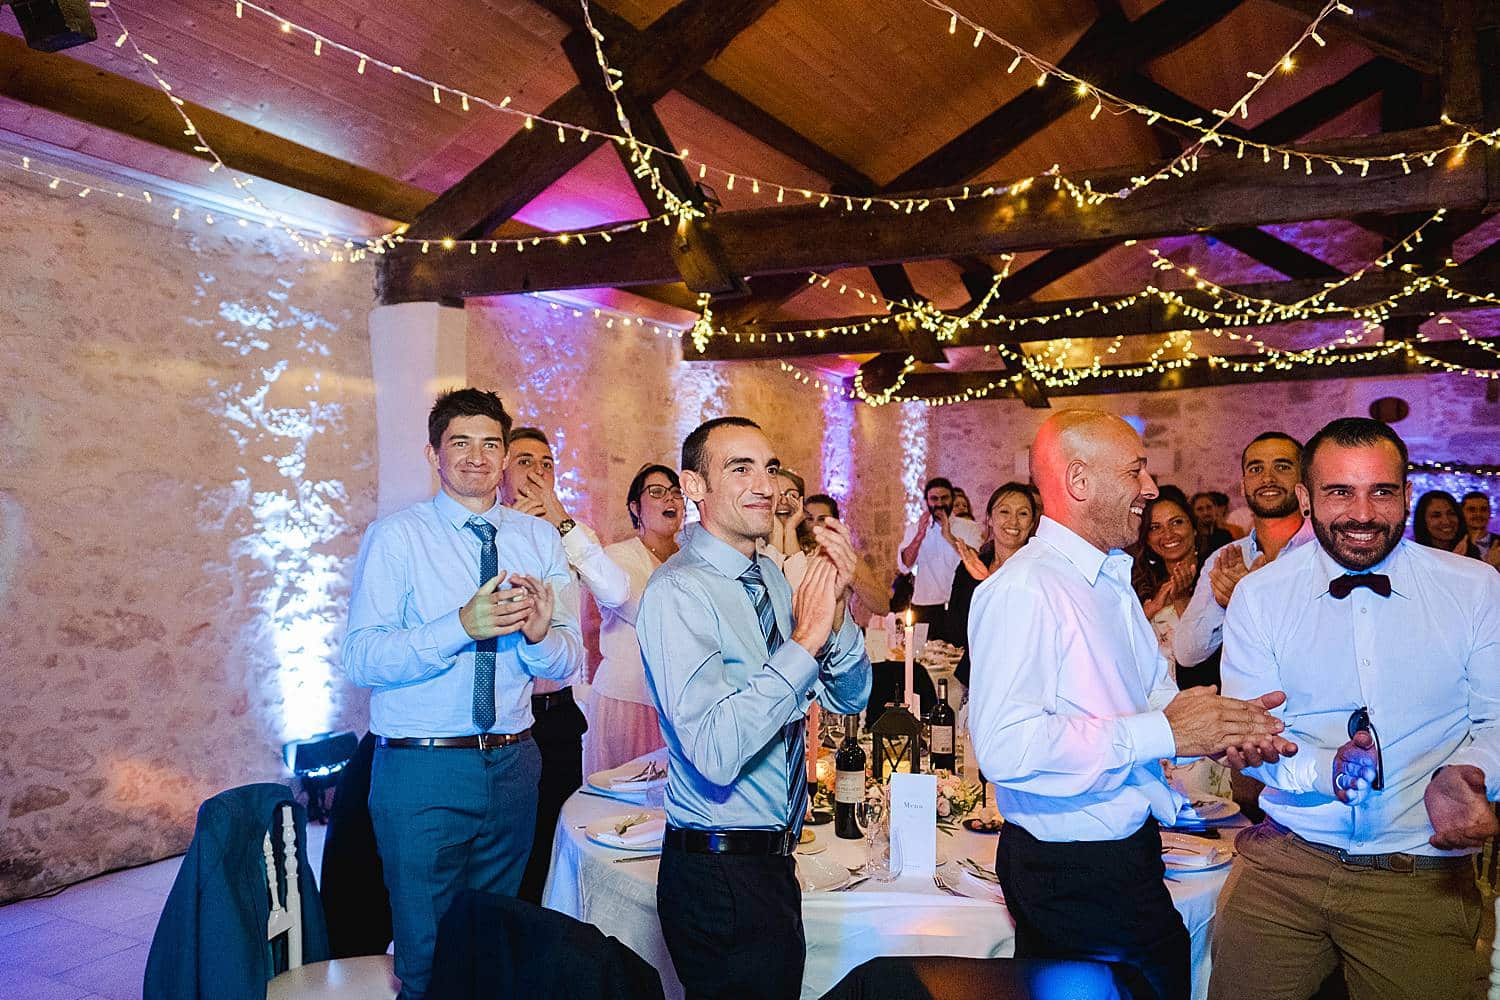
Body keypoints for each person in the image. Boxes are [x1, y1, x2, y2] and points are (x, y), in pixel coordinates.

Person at [968, 409, 1291, 1000]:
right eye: (1136, 471)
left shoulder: (1110, 579)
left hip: (1124, 852)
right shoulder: (1024, 589)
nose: (1150, 488)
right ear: (1080, 482)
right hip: (1071, 870)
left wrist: (1224, 727)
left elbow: (1152, 695)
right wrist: (1162, 733)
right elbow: (1005, 745)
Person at [1210, 417, 1500, 1000]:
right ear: (1307, 498)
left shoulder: (1474, 588)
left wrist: (1468, 775)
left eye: (1382, 491)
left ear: (1406, 493)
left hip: (1419, 871)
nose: (1362, 513)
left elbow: (1495, 719)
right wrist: (1326, 770)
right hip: (1283, 864)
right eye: (1340, 492)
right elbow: (1254, 734)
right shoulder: (1259, 597)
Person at [344, 388, 583, 1000]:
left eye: (490, 444)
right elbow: (362, 657)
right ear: (434, 454)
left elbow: (570, 657)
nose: (477, 457)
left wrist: (537, 635)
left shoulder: (538, 539)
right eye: (460, 443)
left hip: (514, 760)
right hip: (422, 767)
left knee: (494, 943)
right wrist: (460, 626)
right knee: (426, 955)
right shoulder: (397, 537)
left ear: (505, 456)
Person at [639, 416, 871, 1000]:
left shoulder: (768, 573)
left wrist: (835, 612)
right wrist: (804, 643)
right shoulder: (679, 591)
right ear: (694, 488)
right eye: (739, 468)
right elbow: (715, 751)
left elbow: (849, 697)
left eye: (768, 467)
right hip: (719, 873)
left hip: (772, 861)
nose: (764, 484)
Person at [500, 427, 631, 902]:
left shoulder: (570, 533)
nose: (537, 473)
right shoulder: (484, 531)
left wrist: (560, 524)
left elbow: (616, 592)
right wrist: (511, 534)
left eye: (546, 464)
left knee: (553, 847)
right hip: (502, 718)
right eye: (524, 462)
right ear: (500, 471)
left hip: (555, 713)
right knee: (507, 852)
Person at [1173, 432, 1315, 679]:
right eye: (1255, 469)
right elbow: (1187, 653)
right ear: (1243, 485)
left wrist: (1249, 597)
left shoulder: (1326, 552)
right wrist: (1223, 604)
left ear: (1304, 482)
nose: (1267, 478)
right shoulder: (1226, 558)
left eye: (1282, 466)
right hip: (1249, 704)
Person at [584, 463, 682, 774]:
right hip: (627, 699)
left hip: (679, 704)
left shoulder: (692, 556)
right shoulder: (617, 556)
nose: (670, 499)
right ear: (635, 507)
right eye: (657, 492)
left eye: (677, 493)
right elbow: (647, 612)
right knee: (621, 806)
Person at [947, 482, 1037, 693]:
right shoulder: (971, 567)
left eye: (1023, 514)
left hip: (1021, 685)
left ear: (1032, 522)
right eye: (1004, 511)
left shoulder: (1038, 571)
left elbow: (1026, 633)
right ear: (989, 518)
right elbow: (956, 629)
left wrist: (988, 580)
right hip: (975, 678)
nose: (1013, 521)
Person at [1132, 487, 1207, 681]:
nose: (1168, 534)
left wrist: (1182, 600)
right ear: (1147, 539)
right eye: (1155, 527)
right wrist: (1145, 615)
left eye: (1177, 522)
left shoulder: (1216, 576)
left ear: (1194, 527)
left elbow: (1204, 657)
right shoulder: (1140, 587)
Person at [896, 476, 982, 638]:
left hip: (960, 606)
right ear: (927, 501)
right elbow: (904, 566)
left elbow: (977, 561)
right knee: (921, 658)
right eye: (934, 499)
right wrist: (919, 536)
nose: (940, 504)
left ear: (952, 499)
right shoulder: (914, 529)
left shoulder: (969, 528)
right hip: (925, 607)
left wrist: (949, 536)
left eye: (944, 498)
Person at [1414, 489, 1491, 563]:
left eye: (1451, 514)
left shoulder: (1469, 550)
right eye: (1436, 516)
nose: (1446, 521)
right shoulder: (1416, 556)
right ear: (1423, 521)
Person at [1190, 491, 1235, 557]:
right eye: (1200, 509)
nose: (1206, 512)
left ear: (1215, 509)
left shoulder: (1225, 536)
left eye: (1209, 507)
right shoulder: (1192, 540)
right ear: (1193, 513)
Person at [1461, 490, 1500, 560]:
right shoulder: (1455, 544)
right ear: (1462, 513)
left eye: (1483, 509)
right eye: (1472, 510)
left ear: (1490, 512)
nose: (1478, 514)